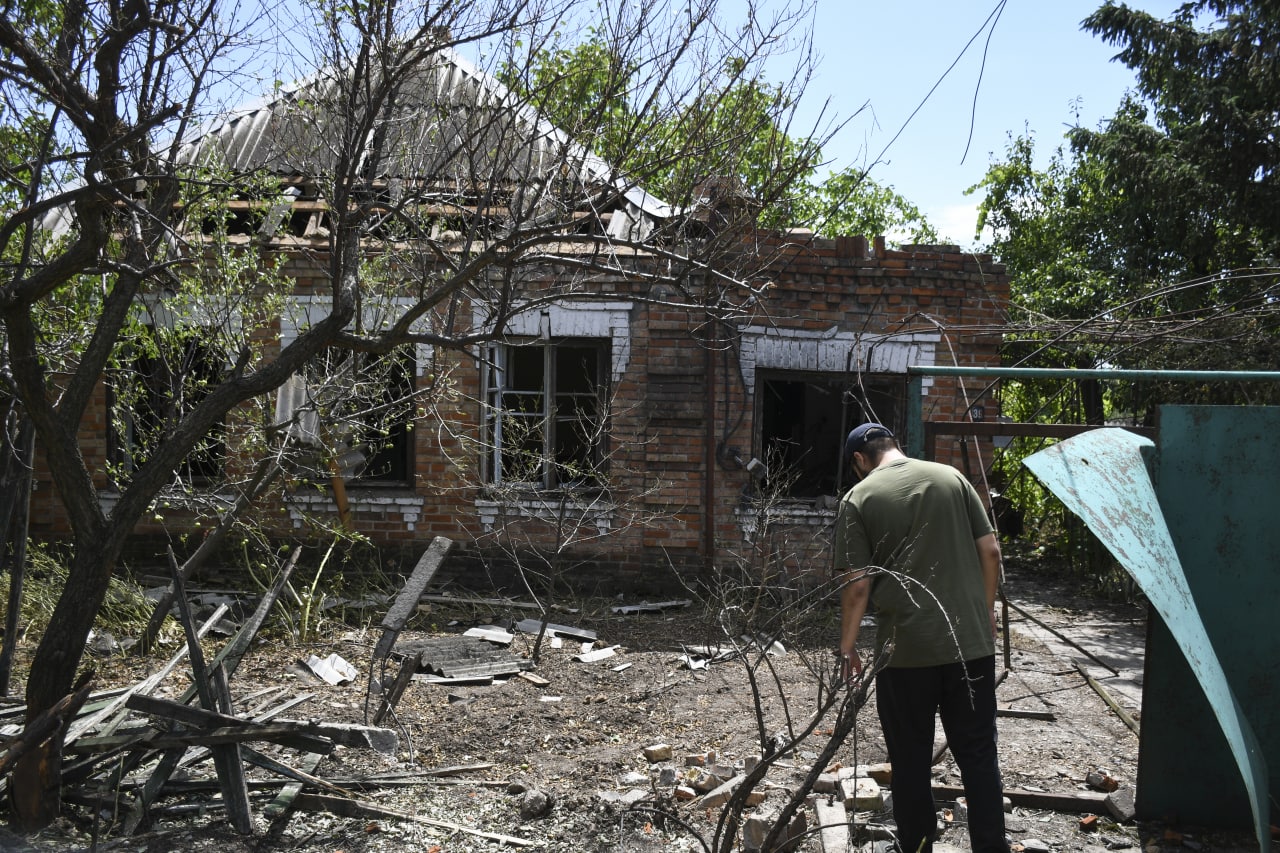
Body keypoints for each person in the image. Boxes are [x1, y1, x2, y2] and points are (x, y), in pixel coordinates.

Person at [834, 422, 1008, 853]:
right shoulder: (953, 478)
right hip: (970, 647)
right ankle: (991, 847)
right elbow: (991, 551)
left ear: (859, 459)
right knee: (978, 756)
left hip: (905, 652)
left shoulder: (859, 497)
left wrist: (847, 646)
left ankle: (916, 846)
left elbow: (858, 586)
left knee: (910, 760)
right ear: (895, 446)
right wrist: (984, 610)